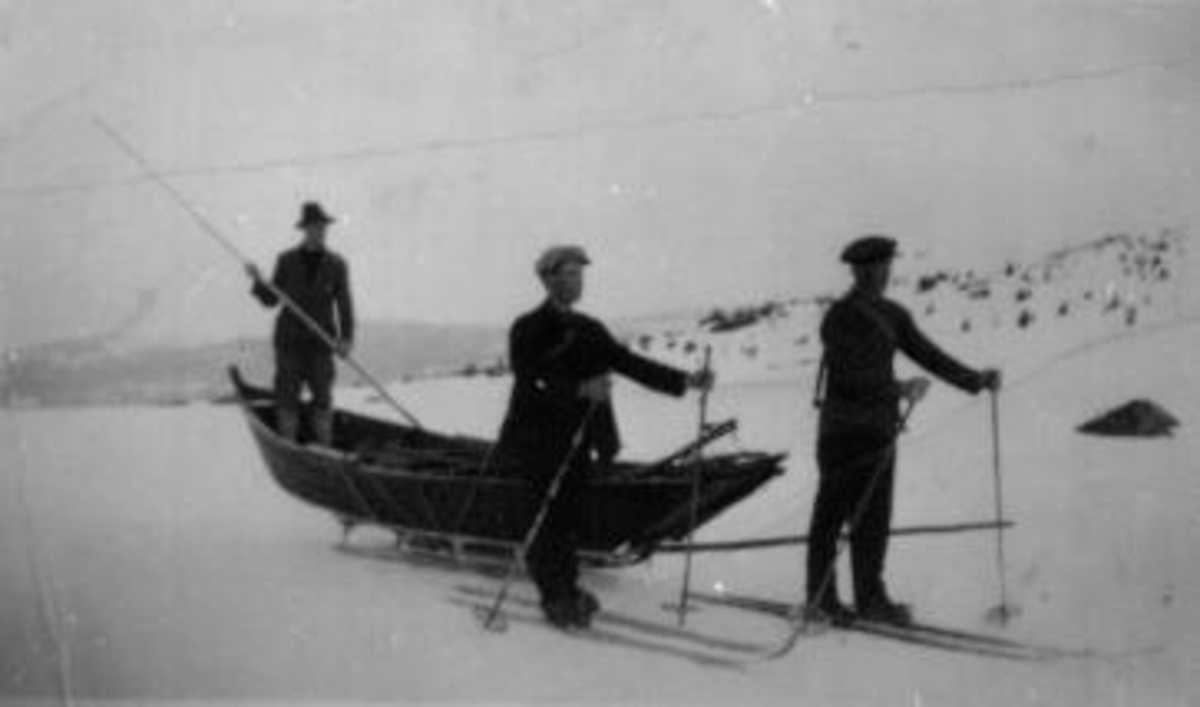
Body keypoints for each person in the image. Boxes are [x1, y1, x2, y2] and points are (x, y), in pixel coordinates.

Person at [496, 245, 713, 630]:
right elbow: (530, 381)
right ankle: (556, 597)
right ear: (547, 280)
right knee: (545, 520)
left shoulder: (589, 328)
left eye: (580, 274)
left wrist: (685, 380)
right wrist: (580, 390)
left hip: (580, 439)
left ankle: (567, 588)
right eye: (569, 274)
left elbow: (629, 363)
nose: (578, 282)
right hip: (538, 440)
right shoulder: (527, 327)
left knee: (568, 519)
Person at [805, 235, 1000, 626]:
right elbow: (851, 376)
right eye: (874, 268)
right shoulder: (839, 317)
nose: (882, 274)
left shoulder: (894, 314)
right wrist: (898, 388)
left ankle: (871, 599)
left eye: (885, 267)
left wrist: (975, 380)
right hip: (842, 432)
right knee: (831, 516)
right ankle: (822, 598)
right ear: (857, 271)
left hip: (879, 430)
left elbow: (927, 354)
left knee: (874, 521)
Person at [246, 201, 355, 446]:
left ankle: (325, 452)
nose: (320, 231)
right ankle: (288, 447)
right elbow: (270, 300)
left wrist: (345, 339)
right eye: (315, 227)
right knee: (287, 397)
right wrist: (258, 281)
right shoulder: (286, 261)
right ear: (305, 229)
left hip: (321, 344)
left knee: (323, 398)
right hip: (290, 343)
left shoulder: (337, 265)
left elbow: (345, 306)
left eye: (323, 227)